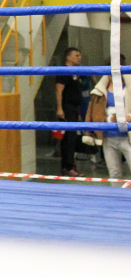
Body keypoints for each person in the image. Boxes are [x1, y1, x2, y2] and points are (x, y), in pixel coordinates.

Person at [89, 59, 131, 181]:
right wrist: (109, 118)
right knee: (114, 173)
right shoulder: (100, 90)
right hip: (109, 136)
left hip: (127, 136)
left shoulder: (129, 87)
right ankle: (116, 198)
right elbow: (95, 113)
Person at [56, 47, 85, 178]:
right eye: (76, 55)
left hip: (74, 107)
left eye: (80, 55)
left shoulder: (76, 72)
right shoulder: (64, 71)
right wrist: (60, 108)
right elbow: (59, 90)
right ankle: (67, 166)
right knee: (70, 137)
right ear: (68, 58)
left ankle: (69, 165)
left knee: (72, 137)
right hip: (67, 107)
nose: (79, 58)